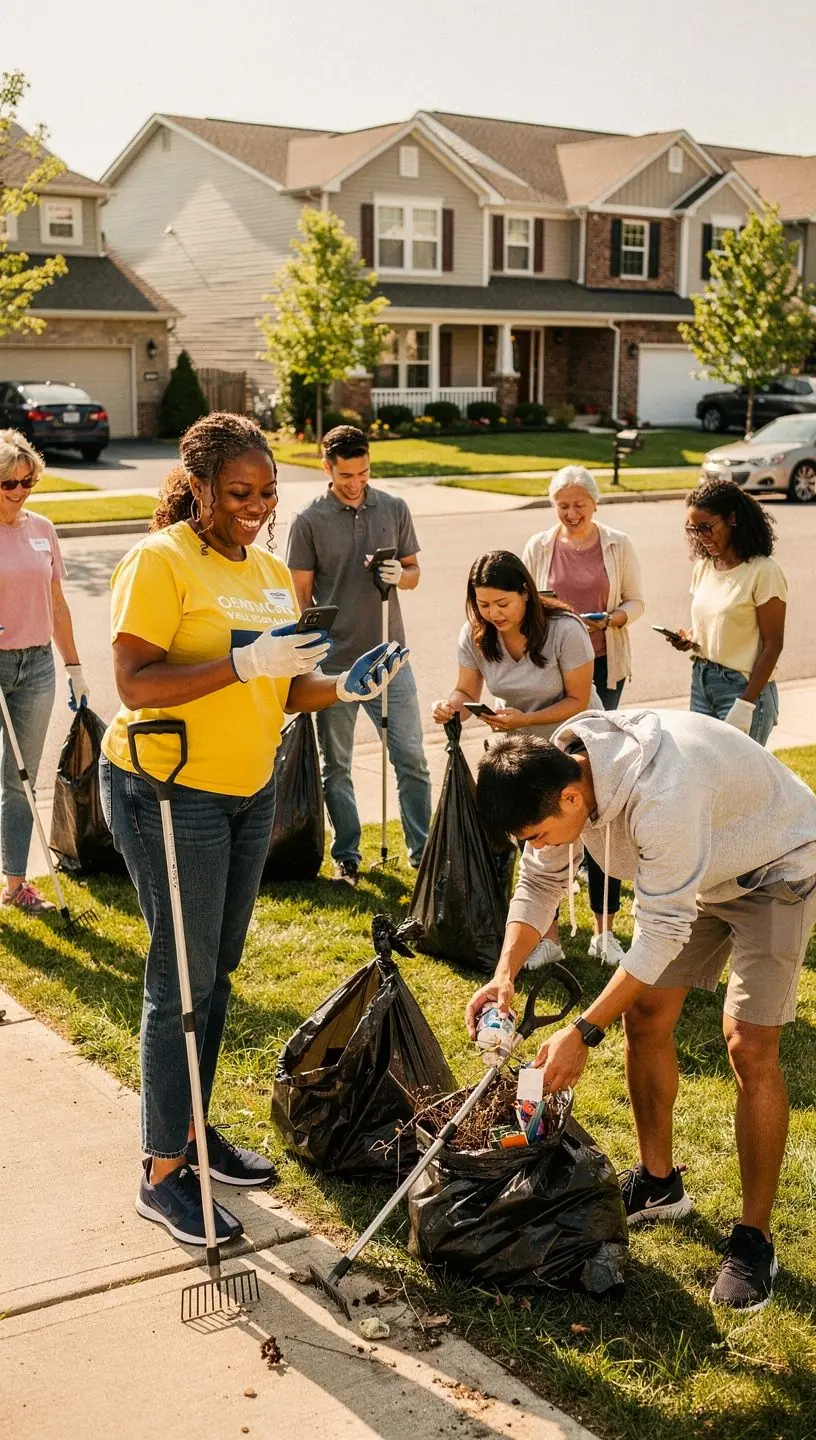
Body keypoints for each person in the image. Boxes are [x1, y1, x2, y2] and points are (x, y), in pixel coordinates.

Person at [100, 413, 406, 1247]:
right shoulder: (160, 561)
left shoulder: (273, 572)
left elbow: (282, 688)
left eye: (268, 493)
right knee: (181, 984)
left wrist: (343, 686)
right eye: (239, 493)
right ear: (197, 486)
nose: (256, 507)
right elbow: (132, 683)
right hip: (167, 790)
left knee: (220, 972)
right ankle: (163, 1171)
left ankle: (195, 1132)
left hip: (247, 791)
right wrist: (239, 661)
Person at [465, 713, 816, 1312]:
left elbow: (658, 933)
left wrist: (582, 1031)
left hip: (775, 865)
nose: (537, 846)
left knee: (748, 1046)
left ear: (573, 796)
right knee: (646, 1015)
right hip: (699, 869)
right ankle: (659, 1184)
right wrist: (503, 975)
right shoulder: (556, 774)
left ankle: (755, 1239)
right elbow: (540, 884)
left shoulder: (662, 794)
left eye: (537, 833)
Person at [287, 424, 431, 885]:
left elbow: (414, 573)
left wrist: (400, 575)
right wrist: (312, 651)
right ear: (327, 468)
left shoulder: (393, 507)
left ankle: (422, 850)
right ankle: (347, 853)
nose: (356, 483)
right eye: (346, 474)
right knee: (338, 766)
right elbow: (299, 595)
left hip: (390, 656)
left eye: (363, 473)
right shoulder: (309, 520)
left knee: (411, 757)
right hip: (334, 667)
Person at [0, 430, 88, 913]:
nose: (19, 492)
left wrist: (74, 667)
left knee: (19, 778)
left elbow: (56, 602)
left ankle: (15, 886)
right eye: (9, 484)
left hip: (35, 666)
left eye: (27, 482)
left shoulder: (42, 528)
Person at [658, 479, 786, 746]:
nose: (701, 536)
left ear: (732, 520)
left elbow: (773, 645)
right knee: (705, 771)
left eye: (707, 527)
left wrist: (745, 705)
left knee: (742, 781)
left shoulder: (763, 572)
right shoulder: (705, 567)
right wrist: (689, 638)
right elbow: (716, 625)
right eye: (694, 529)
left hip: (743, 687)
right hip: (703, 680)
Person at [522, 466, 645, 711]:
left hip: (603, 660)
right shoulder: (538, 546)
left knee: (601, 735)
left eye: (579, 505)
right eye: (563, 506)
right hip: (552, 661)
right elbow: (522, 602)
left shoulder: (618, 543)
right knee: (559, 738)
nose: (571, 513)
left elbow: (636, 602)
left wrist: (609, 619)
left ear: (595, 503)